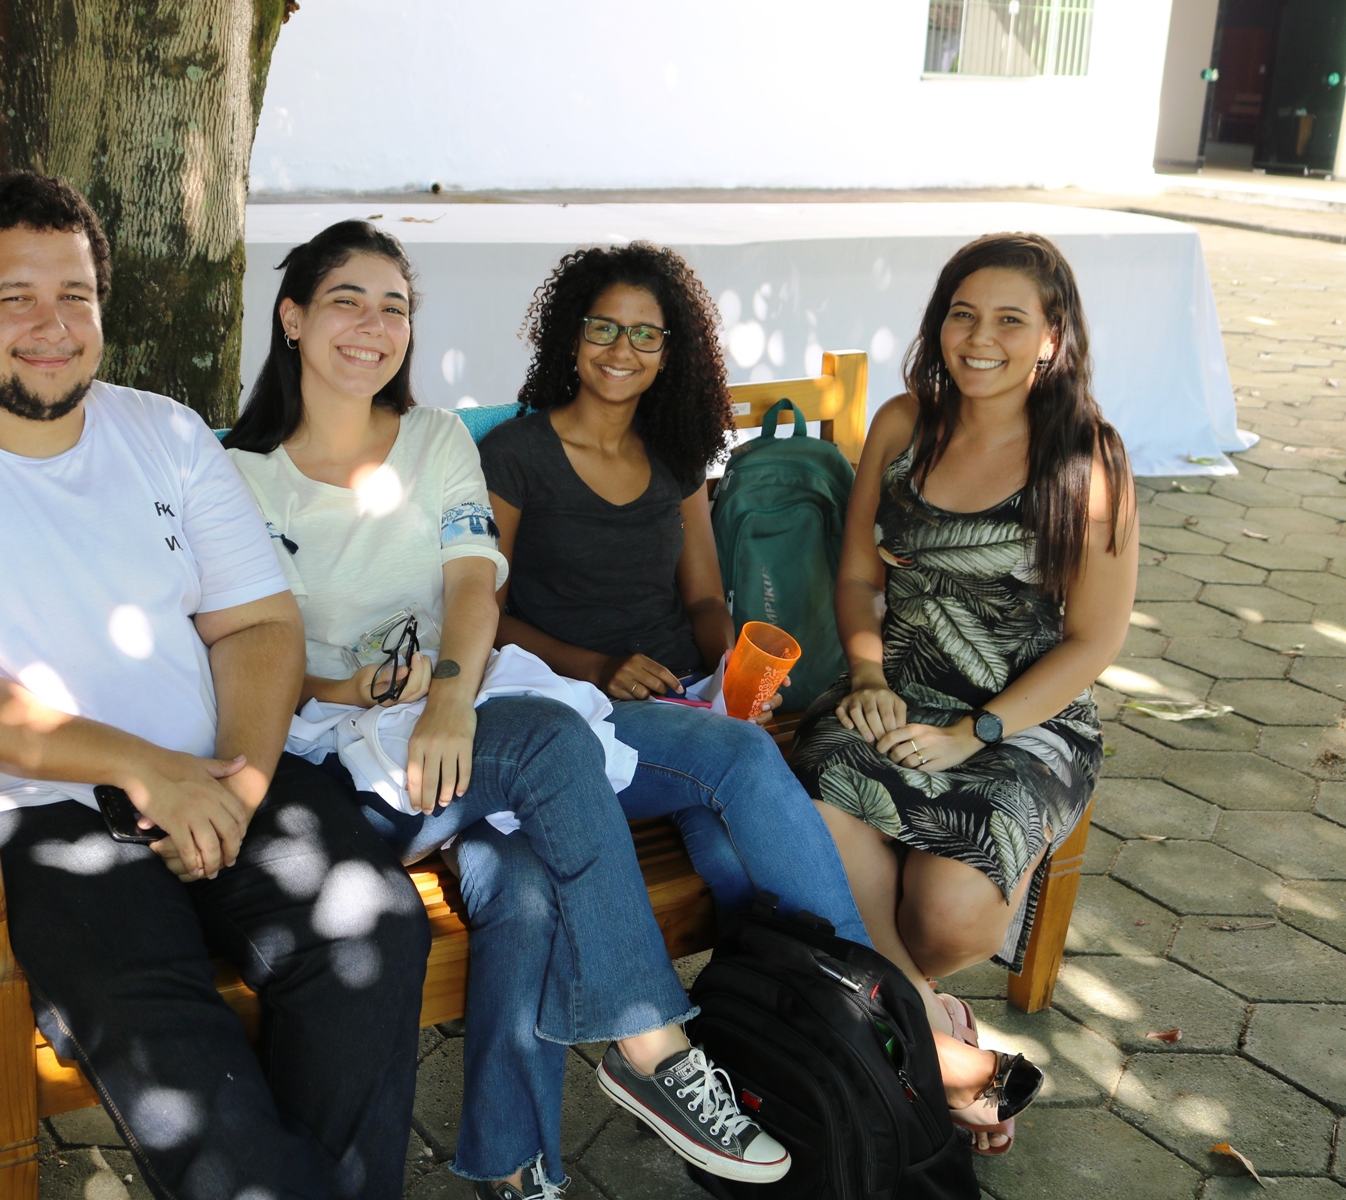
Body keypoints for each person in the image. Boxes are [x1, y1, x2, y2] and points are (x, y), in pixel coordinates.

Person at [0, 173, 432, 1200]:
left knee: (370, 925)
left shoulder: (166, 435)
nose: (51, 327)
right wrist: (147, 771)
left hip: (219, 771)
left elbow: (259, 623)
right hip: (30, 820)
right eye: (16, 297)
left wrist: (236, 782)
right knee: (169, 1030)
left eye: (76, 295)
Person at [222, 220, 790, 1200]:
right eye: (347, 301)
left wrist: (449, 695)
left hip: (451, 733)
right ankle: (651, 1047)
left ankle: (517, 1169)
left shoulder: (437, 439)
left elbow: (473, 579)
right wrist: (352, 687)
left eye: (394, 306)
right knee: (553, 741)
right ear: (294, 318)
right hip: (330, 765)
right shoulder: (242, 475)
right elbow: (242, 646)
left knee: (522, 883)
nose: (373, 325)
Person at [788, 232, 1135, 1153]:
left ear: (1053, 338)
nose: (980, 338)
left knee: (944, 916)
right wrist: (866, 672)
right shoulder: (906, 423)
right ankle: (934, 1034)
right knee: (814, 798)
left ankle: (891, 1013)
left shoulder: (1088, 456)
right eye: (962, 314)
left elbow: (1096, 640)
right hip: (895, 691)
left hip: (1024, 717)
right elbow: (857, 575)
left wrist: (975, 733)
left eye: (1010, 320)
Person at [479, 241, 869, 947]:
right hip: (582, 713)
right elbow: (485, 615)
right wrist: (598, 666)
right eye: (603, 327)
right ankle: (872, 985)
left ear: (669, 351)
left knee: (733, 857)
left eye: (645, 334)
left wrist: (732, 672)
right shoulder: (515, 454)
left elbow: (706, 603)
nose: (621, 349)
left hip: (690, 704)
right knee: (746, 765)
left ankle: (786, 998)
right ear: (571, 335)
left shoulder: (675, 452)